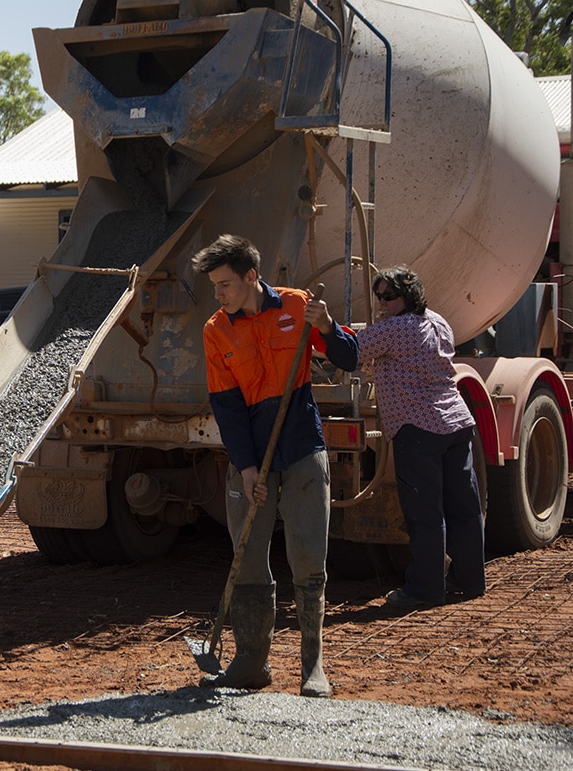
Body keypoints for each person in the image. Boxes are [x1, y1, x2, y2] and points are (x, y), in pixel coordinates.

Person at [190, 234, 359, 698]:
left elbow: (350, 357)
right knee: (246, 557)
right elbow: (226, 406)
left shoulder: (298, 306)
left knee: (308, 557)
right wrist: (245, 467)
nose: (218, 294)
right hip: (251, 453)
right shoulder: (216, 330)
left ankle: (312, 666)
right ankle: (250, 663)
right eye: (214, 286)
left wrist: (328, 328)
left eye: (225, 284)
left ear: (251, 276)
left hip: (302, 446)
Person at [357, 266, 484, 609]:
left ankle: (425, 589)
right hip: (455, 422)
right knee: (464, 508)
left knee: (424, 513)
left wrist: (324, 326)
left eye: (389, 297)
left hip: (418, 429)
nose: (382, 304)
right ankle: (470, 580)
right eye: (379, 296)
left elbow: (351, 351)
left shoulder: (395, 328)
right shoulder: (438, 321)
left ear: (408, 296)